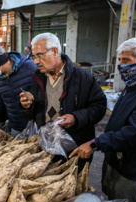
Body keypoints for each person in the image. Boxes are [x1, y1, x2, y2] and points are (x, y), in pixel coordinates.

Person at [70, 38, 136, 202]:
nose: (121, 65)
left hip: (130, 168)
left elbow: (133, 134)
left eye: (127, 60)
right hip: (115, 159)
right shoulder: (133, 84)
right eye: (120, 60)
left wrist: (95, 144)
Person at [19, 33, 107, 171]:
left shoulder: (83, 77)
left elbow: (99, 107)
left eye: (39, 55)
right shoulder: (39, 78)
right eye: (34, 56)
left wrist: (76, 118)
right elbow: (36, 112)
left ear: (54, 51)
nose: (35, 61)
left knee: (73, 187)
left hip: (74, 150)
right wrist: (27, 106)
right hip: (45, 148)